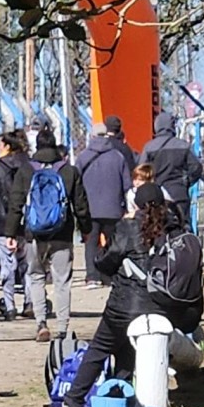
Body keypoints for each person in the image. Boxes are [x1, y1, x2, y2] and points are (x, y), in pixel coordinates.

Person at [63, 183, 204, 407]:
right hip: (160, 306)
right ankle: (122, 393)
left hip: (124, 304)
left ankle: (73, 399)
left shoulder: (129, 227)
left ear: (136, 204)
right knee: (128, 349)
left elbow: (105, 262)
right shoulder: (174, 226)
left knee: (99, 349)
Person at [5, 129, 91, 342]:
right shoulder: (69, 171)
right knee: (62, 280)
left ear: (37, 146)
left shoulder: (26, 171)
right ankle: (62, 328)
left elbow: (16, 204)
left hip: (34, 234)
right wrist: (86, 229)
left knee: (35, 277)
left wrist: (11, 233)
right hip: (62, 234)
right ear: (55, 146)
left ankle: (41, 322)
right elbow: (80, 205)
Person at [0, 131, 32, 319]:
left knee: (7, 265)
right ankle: (29, 301)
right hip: (25, 222)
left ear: (8, 147)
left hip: (1, 222)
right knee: (26, 265)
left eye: (0, 145)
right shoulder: (27, 167)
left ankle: (9, 305)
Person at [76, 123, 131, 288]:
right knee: (111, 242)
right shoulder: (117, 156)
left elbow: (76, 183)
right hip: (113, 207)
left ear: (91, 136)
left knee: (90, 243)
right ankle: (109, 275)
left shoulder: (83, 157)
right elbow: (127, 184)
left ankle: (92, 276)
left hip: (90, 209)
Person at [138, 112, 203, 223]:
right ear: (172, 126)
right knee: (182, 225)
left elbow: (142, 171)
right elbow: (196, 168)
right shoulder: (183, 146)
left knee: (157, 228)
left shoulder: (149, 147)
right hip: (179, 193)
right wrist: (186, 181)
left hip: (156, 196)